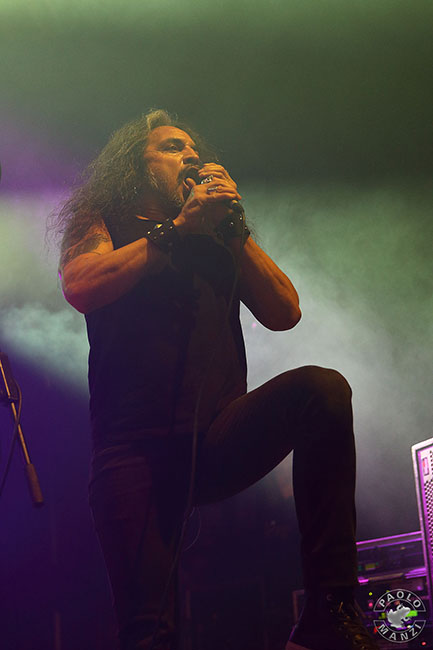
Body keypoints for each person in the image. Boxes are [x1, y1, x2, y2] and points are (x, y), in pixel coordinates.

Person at [55, 109, 378, 650]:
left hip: (217, 435)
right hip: (134, 450)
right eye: (173, 147)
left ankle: (328, 614)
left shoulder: (217, 237)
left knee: (322, 391)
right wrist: (178, 229)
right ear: (135, 165)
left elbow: (285, 311)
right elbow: (81, 285)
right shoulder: (102, 216)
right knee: (148, 632)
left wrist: (231, 229)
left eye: (193, 149)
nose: (191, 156)